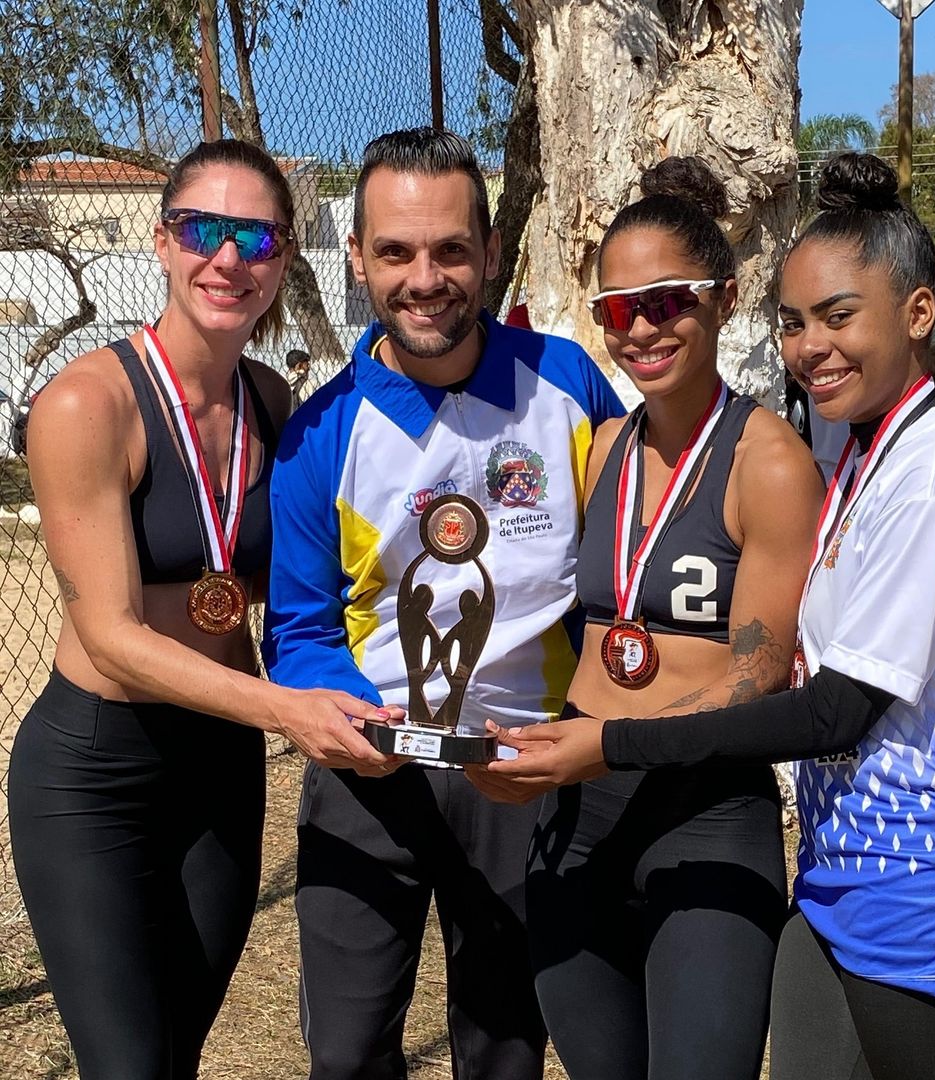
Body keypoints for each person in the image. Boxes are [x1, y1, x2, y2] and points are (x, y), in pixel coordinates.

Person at [489, 154, 935, 1080]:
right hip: (840, 872)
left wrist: (608, 741)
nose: (812, 347)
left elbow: (830, 708)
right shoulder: (857, 448)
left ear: (920, 315)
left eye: (840, 316)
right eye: (796, 324)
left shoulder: (932, 481)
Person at [8, 139, 401, 1080]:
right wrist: (285, 708)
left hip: (218, 767)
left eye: (257, 238)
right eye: (203, 230)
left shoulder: (272, 399)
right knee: (128, 1064)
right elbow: (112, 632)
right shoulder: (87, 404)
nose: (228, 259)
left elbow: (277, 576)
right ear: (162, 241)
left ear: (284, 258)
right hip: (97, 768)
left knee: (177, 1051)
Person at [262, 127, 624, 1080]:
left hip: (527, 769)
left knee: (505, 1044)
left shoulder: (572, 384)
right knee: (345, 1052)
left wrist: (593, 716)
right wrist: (340, 716)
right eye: (396, 252)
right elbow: (297, 629)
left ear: (491, 253)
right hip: (368, 774)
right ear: (358, 260)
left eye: (451, 250)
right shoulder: (319, 434)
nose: (425, 278)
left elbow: (625, 569)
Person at [492, 156, 822, 1080]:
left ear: (722, 299)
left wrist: (610, 742)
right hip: (579, 809)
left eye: (666, 300)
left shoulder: (769, 462)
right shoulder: (599, 449)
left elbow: (757, 677)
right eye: (615, 309)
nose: (641, 328)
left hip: (705, 810)